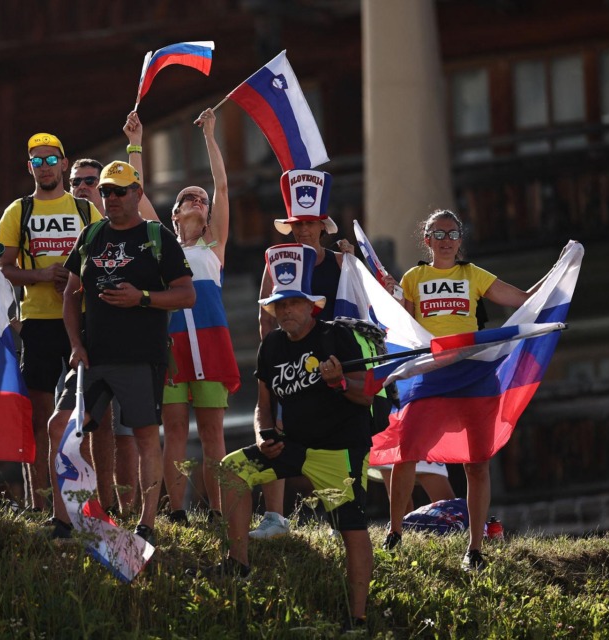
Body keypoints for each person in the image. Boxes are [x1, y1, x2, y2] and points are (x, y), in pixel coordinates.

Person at [208, 244, 373, 629]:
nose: (284, 311)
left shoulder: (337, 337)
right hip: (294, 447)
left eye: (293, 303)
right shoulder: (272, 346)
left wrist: (338, 382)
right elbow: (263, 405)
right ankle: (239, 563)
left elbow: (365, 394)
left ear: (311, 306)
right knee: (232, 470)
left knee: (351, 529)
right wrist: (264, 433)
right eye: (278, 305)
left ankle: (358, 618)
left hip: (340, 452)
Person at [380, 209, 539, 572]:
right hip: (431, 374)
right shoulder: (415, 276)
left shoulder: (473, 274)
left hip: (473, 373)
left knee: (477, 464)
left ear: (460, 240)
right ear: (427, 240)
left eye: (453, 233)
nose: (447, 240)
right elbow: (400, 324)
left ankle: (475, 548)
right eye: (439, 234)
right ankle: (394, 533)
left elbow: (524, 300)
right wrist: (384, 290)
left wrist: (562, 269)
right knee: (406, 452)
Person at [47, 161, 195, 542]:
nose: (110, 198)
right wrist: (76, 345)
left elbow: (186, 294)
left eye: (119, 191)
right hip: (93, 355)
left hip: (140, 356)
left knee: (145, 436)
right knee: (60, 427)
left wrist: (141, 298)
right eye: (106, 191)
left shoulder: (156, 234)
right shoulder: (92, 234)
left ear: (137, 194)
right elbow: (70, 295)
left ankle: (146, 522)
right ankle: (64, 520)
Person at [127, 108, 239, 523]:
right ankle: (176, 510)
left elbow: (223, 186)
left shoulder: (215, 248)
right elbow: (137, 196)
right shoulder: (161, 244)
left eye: (202, 199)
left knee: (213, 433)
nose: (197, 198)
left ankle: (218, 510)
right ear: (174, 215)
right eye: (185, 197)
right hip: (171, 346)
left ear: (208, 216)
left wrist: (210, 133)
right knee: (173, 430)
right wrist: (135, 143)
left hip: (211, 344)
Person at [0, 134, 102, 513]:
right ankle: (38, 501)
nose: (44, 167)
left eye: (50, 160)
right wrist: (41, 276)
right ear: (30, 167)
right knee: (38, 414)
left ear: (63, 162)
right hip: (38, 321)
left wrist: (76, 278)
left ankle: (87, 502)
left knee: (86, 415)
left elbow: (106, 259)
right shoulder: (18, 211)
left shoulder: (86, 210)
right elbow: (3, 267)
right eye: (36, 161)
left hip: (83, 319)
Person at [251, 168, 351, 538]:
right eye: (297, 224)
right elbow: (265, 312)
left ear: (323, 225)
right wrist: (271, 362)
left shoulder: (341, 262)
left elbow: (360, 307)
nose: (303, 230)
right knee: (270, 431)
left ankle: (339, 518)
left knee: (332, 440)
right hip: (289, 361)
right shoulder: (276, 259)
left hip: (329, 362)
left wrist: (354, 264)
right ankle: (274, 517)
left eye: (310, 223)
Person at [68, 156, 139, 515]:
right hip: (86, 338)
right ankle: (93, 506)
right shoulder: (84, 232)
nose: (83, 187)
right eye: (76, 182)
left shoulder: (136, 227)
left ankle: (129, 509)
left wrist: (135, 145)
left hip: (132, 344)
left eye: (91, 182)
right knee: (87, 424)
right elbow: (69, 290)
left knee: (129, 431)